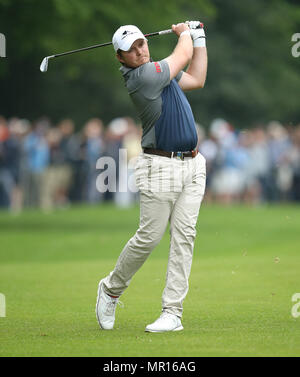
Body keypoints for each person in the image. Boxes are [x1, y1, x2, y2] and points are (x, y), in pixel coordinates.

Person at [96, 21, 207, 332]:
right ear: (121, 58)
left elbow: (197, 78)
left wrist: (200, 38)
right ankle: (111, 288)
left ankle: (173, 312)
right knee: (149, 238)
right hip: (159, 167)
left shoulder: (161, 73)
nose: (139, 51)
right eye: (131, 50)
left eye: (141, 44)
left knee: (185, 237)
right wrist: (185, 32)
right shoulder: (143, 77)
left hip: (193, 164)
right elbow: (183, 54)